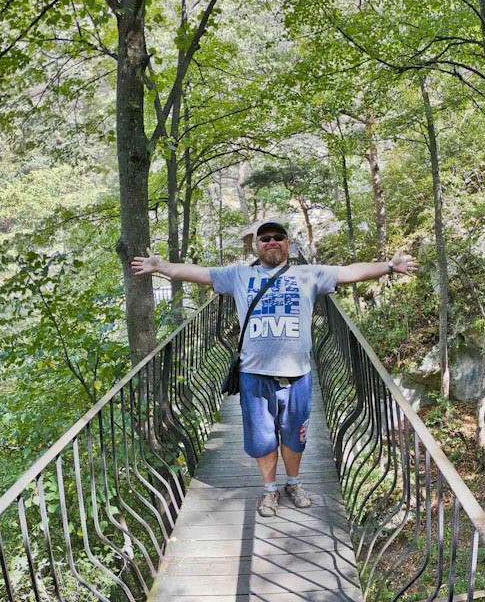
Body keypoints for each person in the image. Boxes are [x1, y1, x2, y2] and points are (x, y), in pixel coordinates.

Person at [131, 219, 418, 517]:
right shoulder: (239, 275)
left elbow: (349, 272)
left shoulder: (307, 275)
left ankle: (293, 483)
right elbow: (198, 273)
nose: (271, 242)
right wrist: (161, 266)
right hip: (254, 376)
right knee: (263, 438)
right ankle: (270, 490)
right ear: (256, 245)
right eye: (265, 238)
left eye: (278, 237)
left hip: (298, 376)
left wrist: (389, 266)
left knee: (295, 435)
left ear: (287, 244)